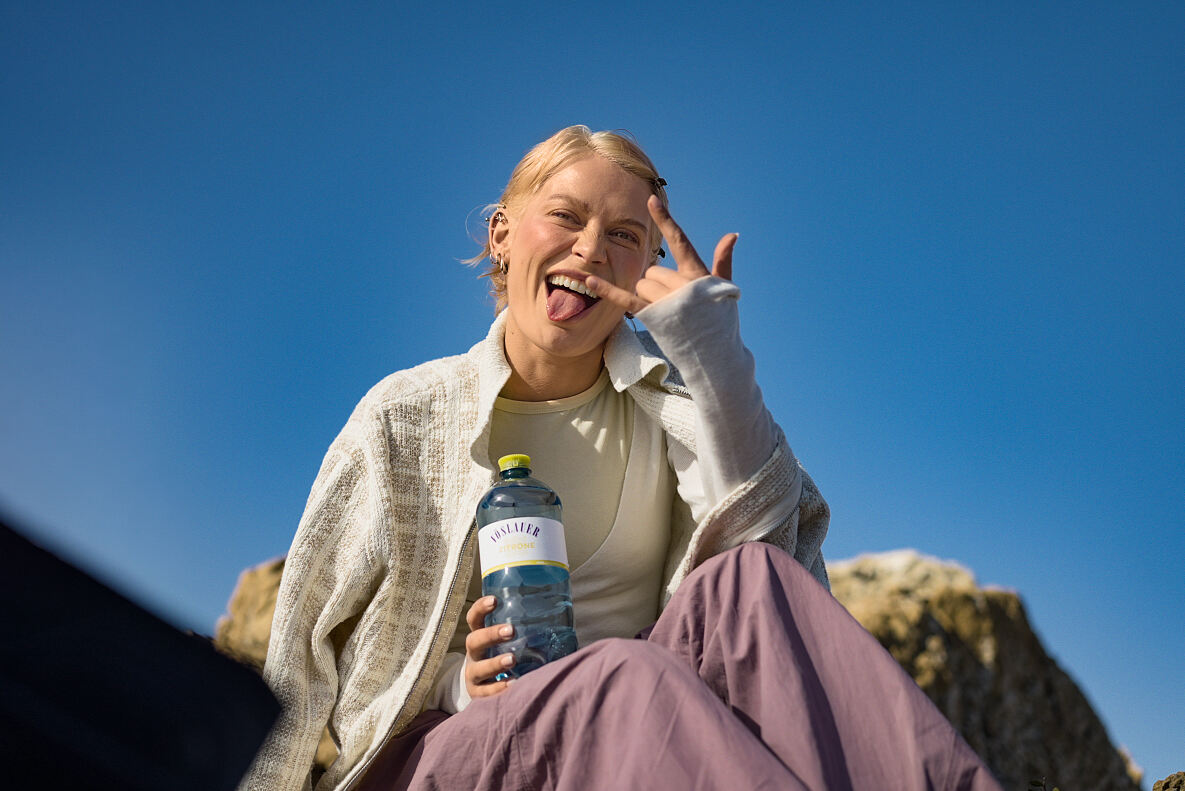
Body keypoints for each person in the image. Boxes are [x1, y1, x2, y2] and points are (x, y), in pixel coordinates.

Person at [239, 126, 1001, 791]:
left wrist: (715, 361)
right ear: (502, 234)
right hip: (441, 757)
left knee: (749, 579)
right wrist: (455, 682)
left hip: (638, 733)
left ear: (642, 269)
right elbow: (298, 656)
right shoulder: (403, 418)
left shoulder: (668, 405)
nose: (590, 249)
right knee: (622, 672)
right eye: (565, 216)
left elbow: (774, 551)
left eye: (625, 236)